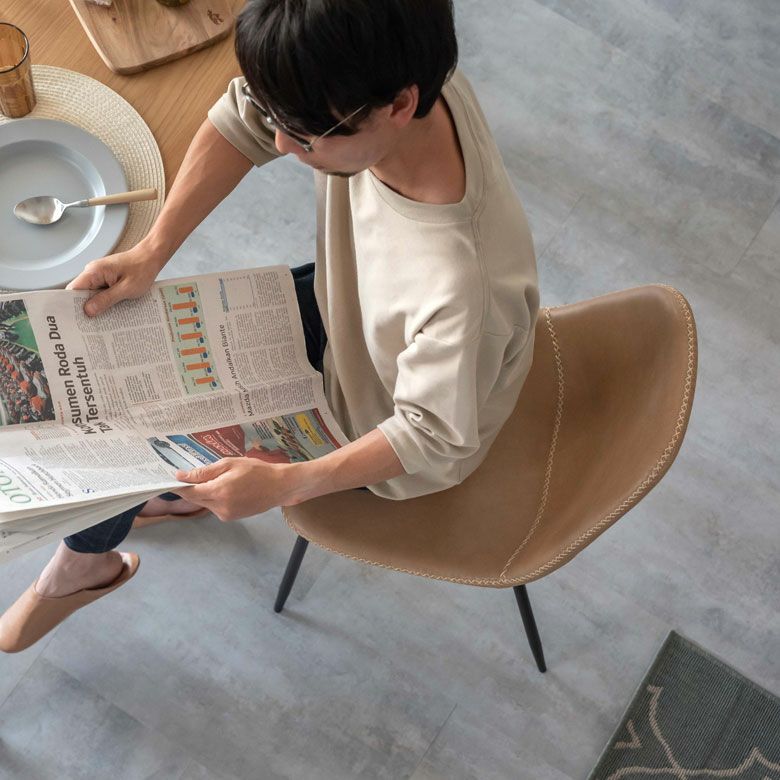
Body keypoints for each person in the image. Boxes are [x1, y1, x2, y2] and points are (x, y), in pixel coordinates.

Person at [0, 0, 538, 653]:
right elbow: (242, 120)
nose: (281, 145)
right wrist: (151, 252)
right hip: (354, 312)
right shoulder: (384, 68)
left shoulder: (461, 283)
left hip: (385, 413)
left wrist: (288, 484)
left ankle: (84, 562)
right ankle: (142, 508)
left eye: (305, 136)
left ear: (399, 105)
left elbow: (432, 434)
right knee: (115, 360)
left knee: (138, 417)